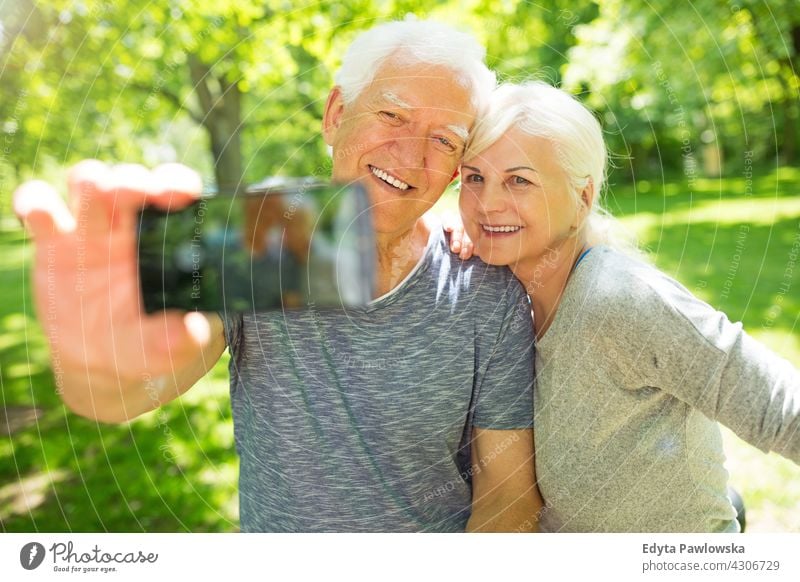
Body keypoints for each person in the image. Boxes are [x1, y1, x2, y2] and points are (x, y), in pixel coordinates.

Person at [12, 20, 543, 532]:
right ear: (337, 114)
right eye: (392, 115)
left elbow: (506, 486)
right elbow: (121, 394)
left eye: (444, 140)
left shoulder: (482, 287)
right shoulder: (268, 234)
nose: (410, 155)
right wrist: (103, 366)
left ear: (455, 168)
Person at [449, 81, 800, 532]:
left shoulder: (618, 300)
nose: (488, 203)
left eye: (520, 180)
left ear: (582, 197)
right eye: (475, 177)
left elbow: (780, 406)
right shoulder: (501, 298)